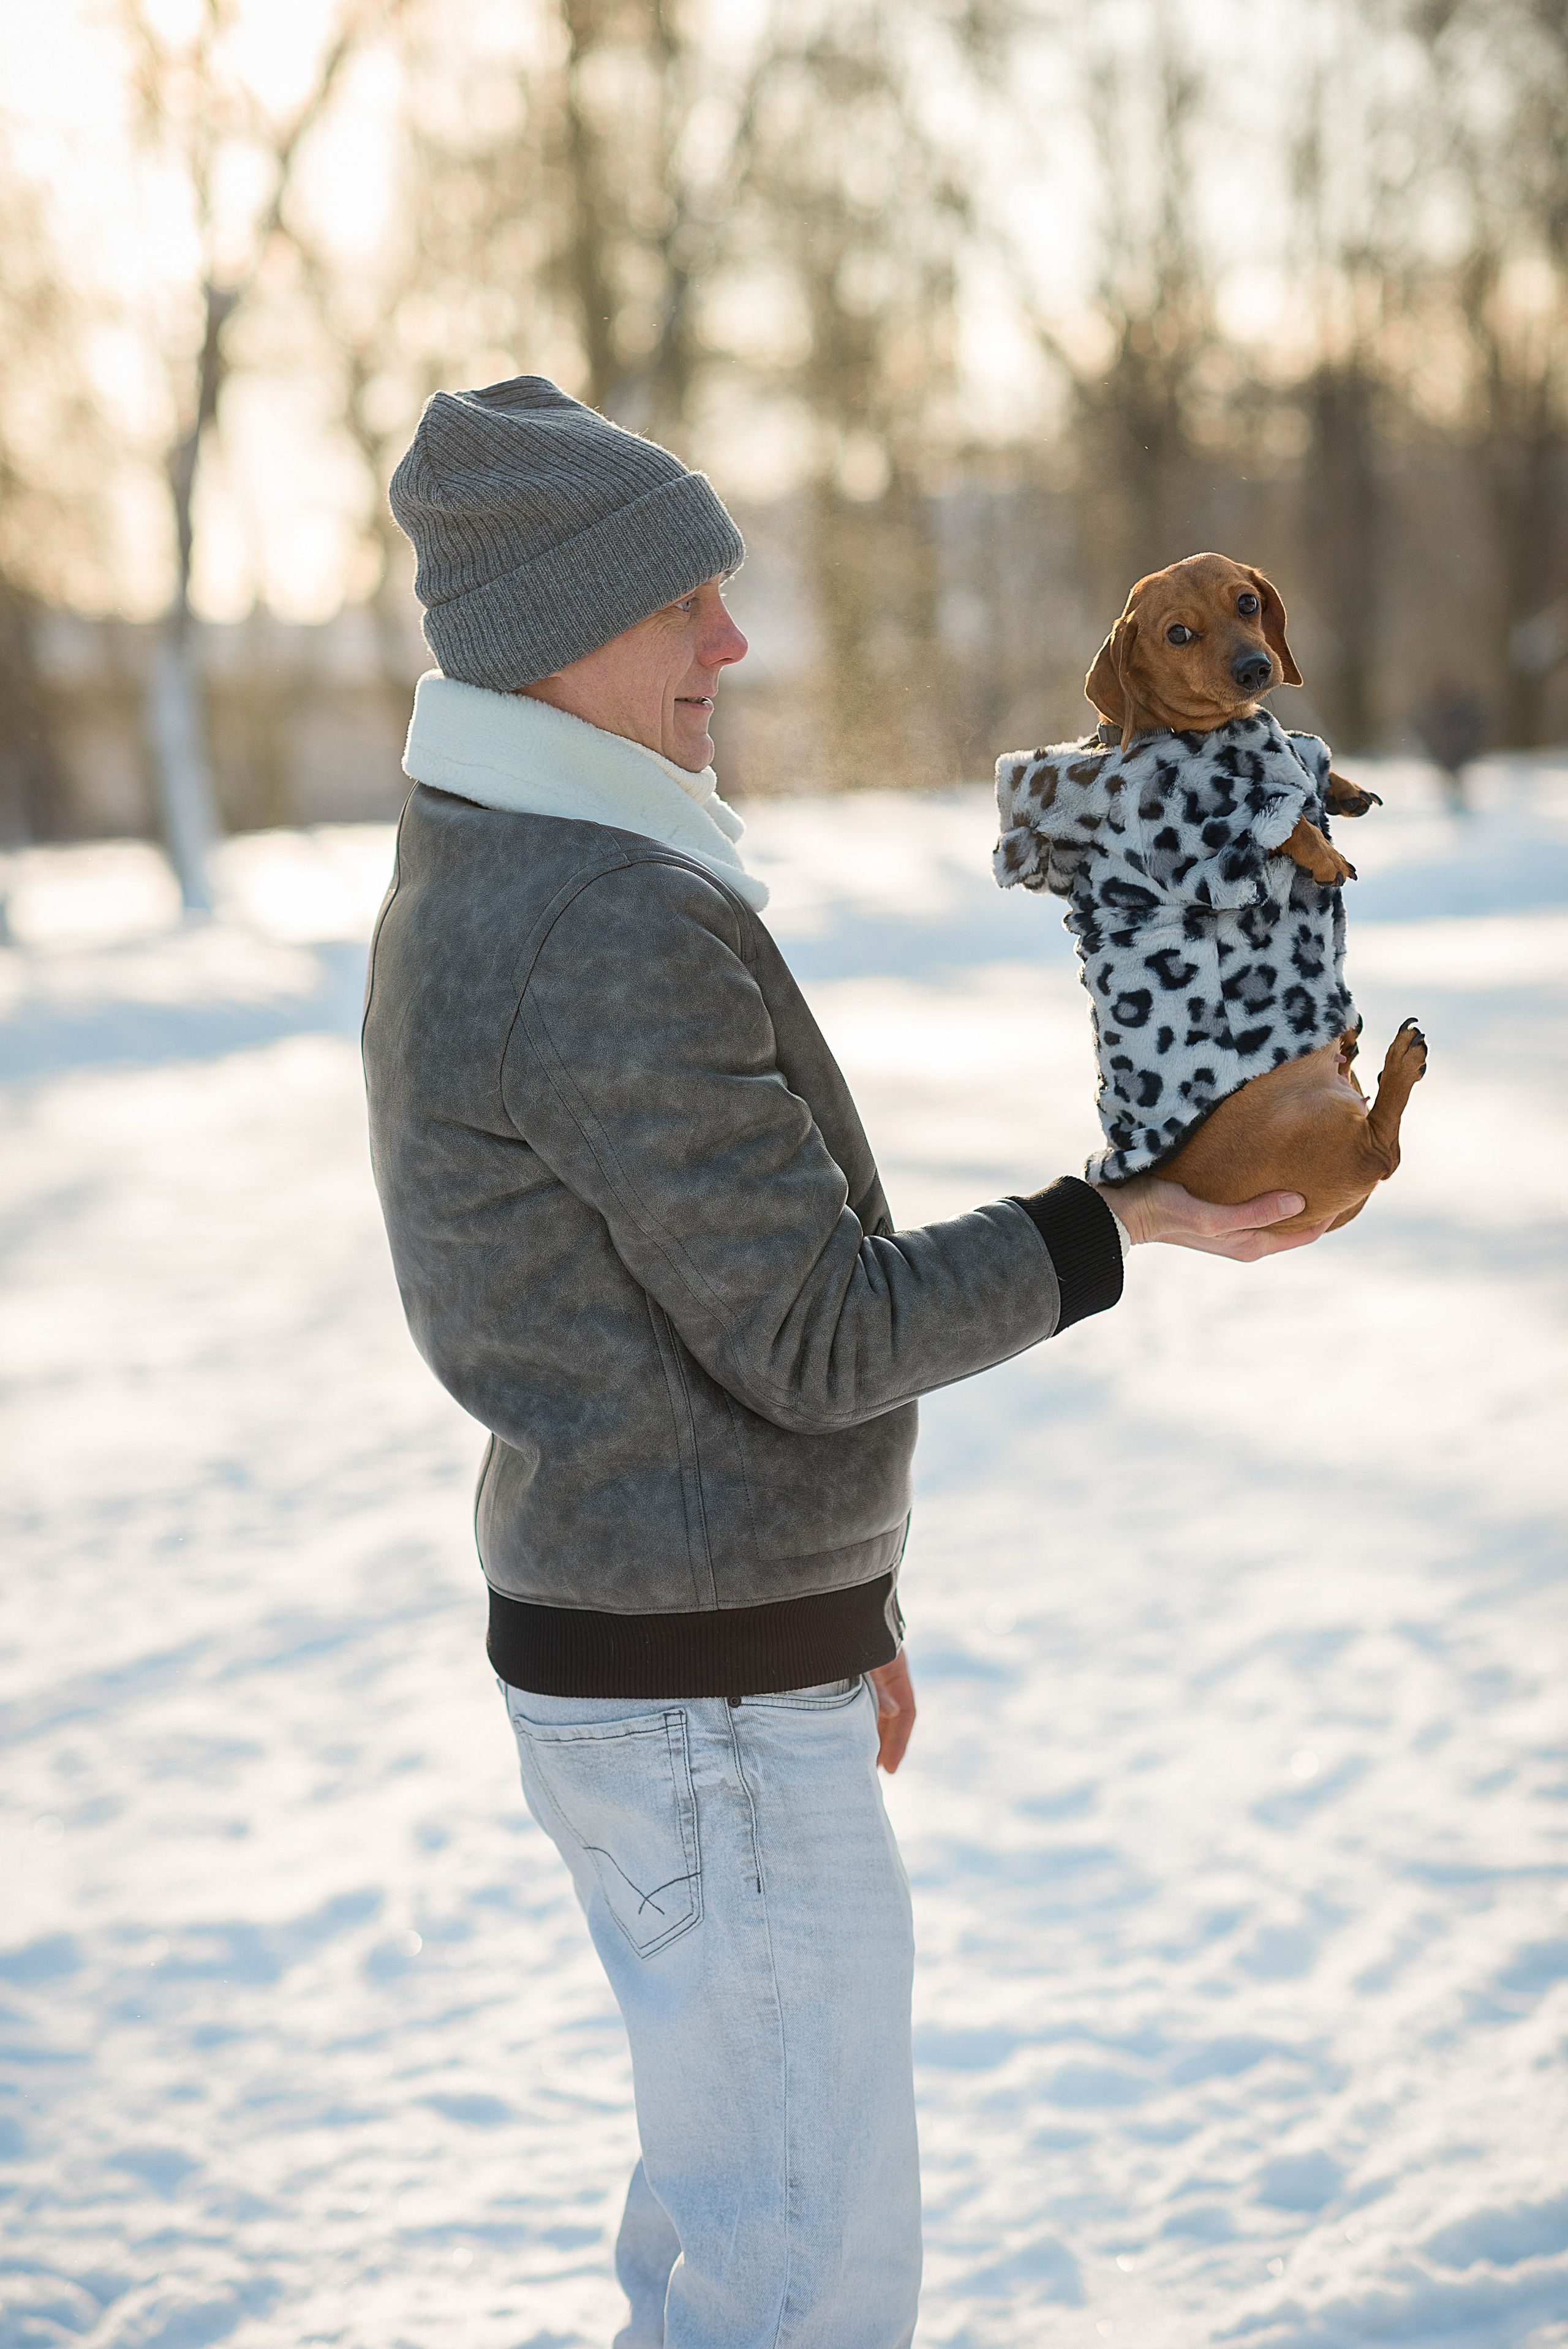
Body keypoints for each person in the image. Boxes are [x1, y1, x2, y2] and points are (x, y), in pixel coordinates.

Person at [364, 376, 1326, 2349]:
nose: (731, 640)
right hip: (697, 1713)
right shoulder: (602, 915)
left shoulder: (504, 858)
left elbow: (665, 1324)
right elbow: (812, 1329)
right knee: (799, 2293)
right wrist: (1124, 1216)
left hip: (686, 1651)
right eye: (683, 605)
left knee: (739, 2240)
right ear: (558, 632)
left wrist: (835, 1598)